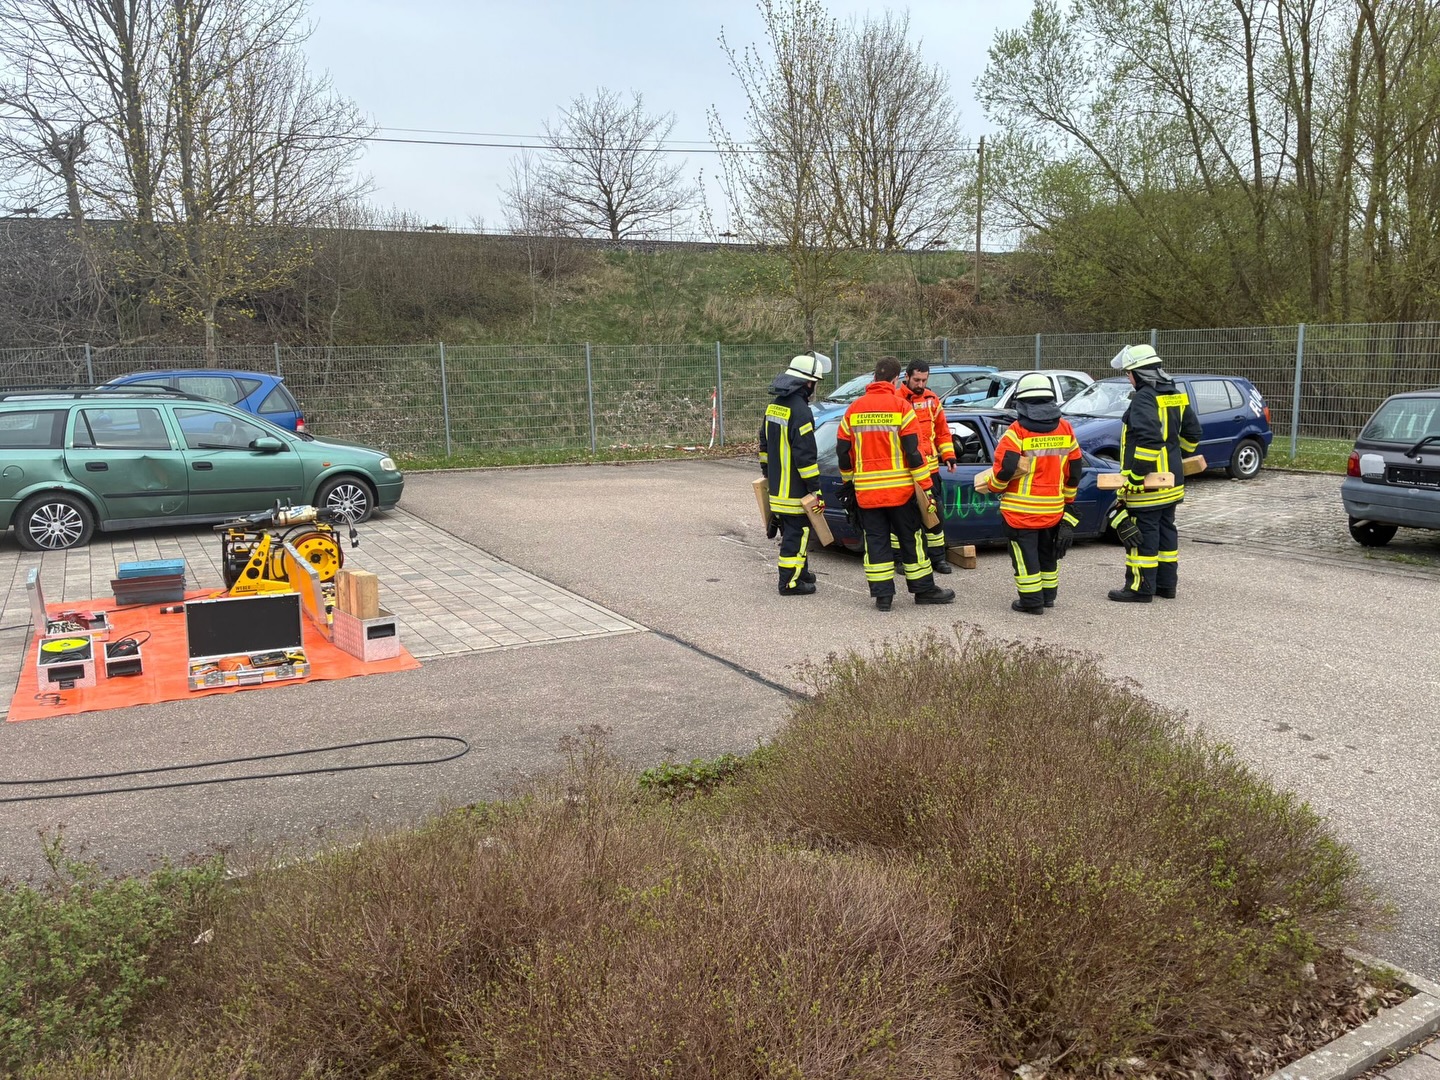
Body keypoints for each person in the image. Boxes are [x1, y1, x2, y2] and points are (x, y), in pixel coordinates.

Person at [835, 357, 955, 611]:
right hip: (900, 492)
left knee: (876, 542)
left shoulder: (853, 409)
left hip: (867, 494)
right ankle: (924, 590)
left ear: (873, 379)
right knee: (912, 540)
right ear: (894, 380)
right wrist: (926, 486)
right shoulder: (902, 407)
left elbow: (843, 451)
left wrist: (849, 481)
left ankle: (883, 597)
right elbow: (914, 453)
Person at [1107, 344, 1203, 603]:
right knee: (1166, 532)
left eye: (1129, 373)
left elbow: (1148, 440)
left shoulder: (1143, 398)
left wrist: (1137, 477)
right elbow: (1193, 434)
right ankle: (1165, 586)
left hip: (1148, 484)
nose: (1128, 378)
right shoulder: (1174, 393)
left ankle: (1140, 588)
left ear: (1138, 374)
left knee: (1143, 535)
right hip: (1172, 482)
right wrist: (1174, 457)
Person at [982, 373, 1083, 614]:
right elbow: (1076, 468)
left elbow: (1005, 469)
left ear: (1021, 403)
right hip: (1053, 509)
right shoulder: (1065, 428)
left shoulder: (1017, 432)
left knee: (1025, 555)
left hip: (1021, 512)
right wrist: (1067, 499)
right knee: (1047, 553)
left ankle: (1031, 601)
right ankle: (1048, 597)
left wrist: (993, 486)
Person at [758, 351, 831, 595]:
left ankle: (801, 572)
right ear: (807, 382)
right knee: (796, 534)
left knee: (796, 533)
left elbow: (764, 445)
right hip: (795, 491)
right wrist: (814, 487)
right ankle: (789, 582)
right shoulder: (801, 411)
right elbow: (806, 456)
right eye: (814, 383)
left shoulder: (774, 407)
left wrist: (768, 474)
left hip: (777, 487)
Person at [897, 359, 958, 573]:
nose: (920, 384)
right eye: (916, 380)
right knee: (906, 519)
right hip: (905, 473)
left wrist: (948, 455)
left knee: (936, 515)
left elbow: (942, 432)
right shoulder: (896, 401)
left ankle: (938, 558)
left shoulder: (932, 400)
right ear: (906, 377)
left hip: (930, 471)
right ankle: (903, 560)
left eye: (924, 380)